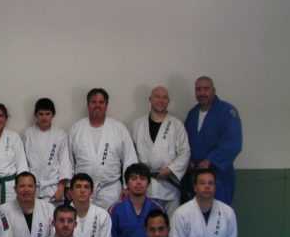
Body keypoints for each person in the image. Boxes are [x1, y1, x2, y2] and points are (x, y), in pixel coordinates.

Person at [69, 88, 138, 210]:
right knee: (82, 220)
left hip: (110, 191)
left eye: (101, 102)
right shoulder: (76, 129)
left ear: (106, 105)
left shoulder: (119, 129)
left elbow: (129, 158)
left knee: (110, 220)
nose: (97, 105)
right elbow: (68, 160)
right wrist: (68, 186)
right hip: (82, 190)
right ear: (88, 104)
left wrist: (128, 187)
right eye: (93, 102)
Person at [132, 86, 190, 215]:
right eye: (157, 97)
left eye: (164, 98)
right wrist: (139, 171)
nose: (161, 100)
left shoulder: (176, 124)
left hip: (168, 184)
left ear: (168, 101)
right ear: (150, 99)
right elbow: (131, 153)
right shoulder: (137, 125)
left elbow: (185, 152)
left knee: (171, 222)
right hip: (144, 183)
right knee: (145, 222)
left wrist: (170, 170)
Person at [184, 76, 242, 205]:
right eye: (198, 89)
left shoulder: (227, 112)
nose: (202, 93)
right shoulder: (192, 114)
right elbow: (184, 142)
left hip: (219, 176)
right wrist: (188, 159)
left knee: (219, 213)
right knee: (195, 213)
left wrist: (210, 160)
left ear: (214, 90)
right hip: (196, 176)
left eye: (206, 89)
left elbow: (233, 143)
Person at [24, 98, 72, 204]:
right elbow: (24, 163)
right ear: (35, 115)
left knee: (54, 214)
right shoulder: (28, 134)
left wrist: (61, 188)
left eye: (47, 114)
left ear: (53, 114)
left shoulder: (60, 135)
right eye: (40, 114)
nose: (44, 117)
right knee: (33, 214)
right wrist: (25, 187)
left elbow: (64, 162)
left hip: (54, 188)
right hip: (33, 187)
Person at [70, 173, 112, 237]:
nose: (82, 190)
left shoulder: (102, 215)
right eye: (78, 187)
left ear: (91, 192)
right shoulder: (61, 215)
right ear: (71, 191)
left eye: (86, 187)